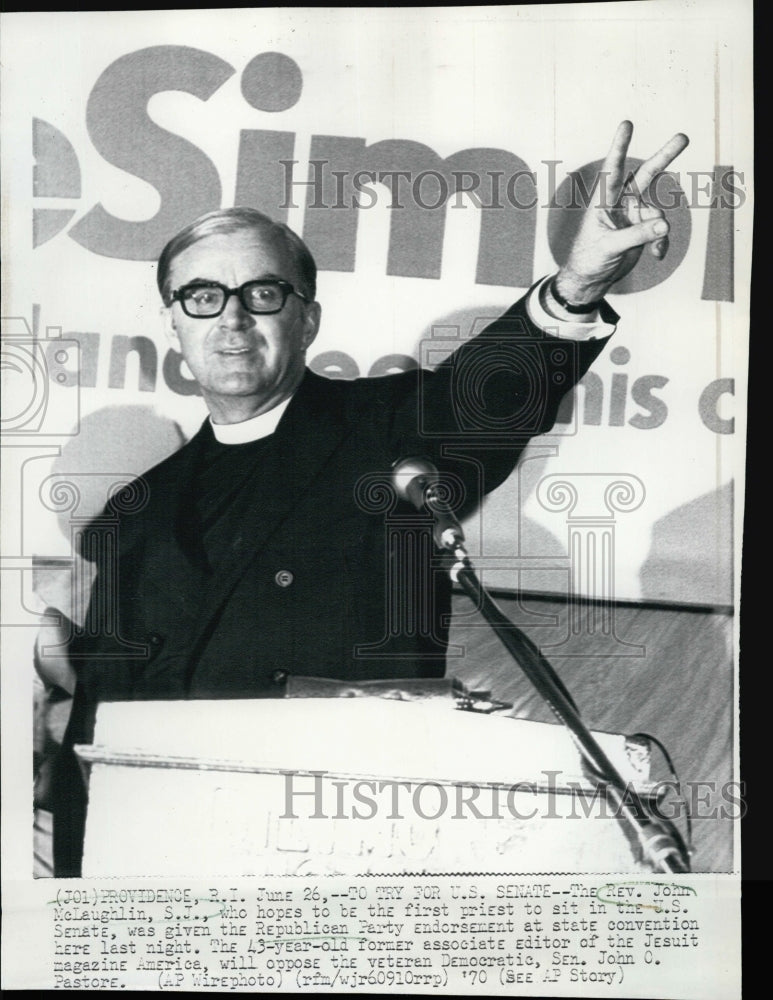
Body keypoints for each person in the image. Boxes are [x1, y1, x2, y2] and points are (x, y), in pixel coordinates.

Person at [40, 121, 688, 875]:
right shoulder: (139, 512)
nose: (232, 319)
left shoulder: (386, 427)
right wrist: (73, 885)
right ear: (175, 323)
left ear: (307, 318)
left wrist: (576, 286)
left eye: (262, 293)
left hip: (340, 843)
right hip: (167, 857)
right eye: (203, 297)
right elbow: (97, 724)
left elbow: (486, 396)